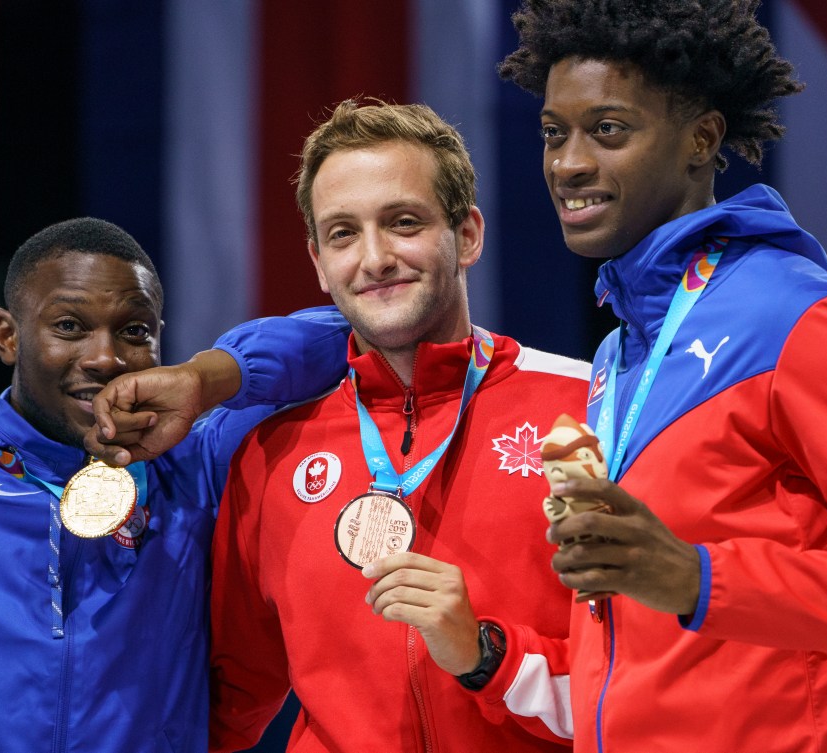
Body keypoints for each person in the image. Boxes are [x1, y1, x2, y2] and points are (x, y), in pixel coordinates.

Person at [87, 99, 591, 751]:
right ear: (319, 262)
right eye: (343, 233)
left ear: (466, 234)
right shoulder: (271, 453)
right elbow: (229, 700)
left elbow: (648, 685)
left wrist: (486, 656)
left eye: (403, 222)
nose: (375, 258)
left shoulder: (585, 410)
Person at [497, 1, 827, 751]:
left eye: (607, 130)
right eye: (552, 133)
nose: (566, 163)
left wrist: (700, 581)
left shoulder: (799, 320)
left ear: (701, 139)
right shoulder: (619, 353)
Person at [0, 217, 349, 752]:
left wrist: (205, 376)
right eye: (69, 326)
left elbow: (353, 337)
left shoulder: (196, 473)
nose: (105, 358)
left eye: (134, 330)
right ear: (8, 336)